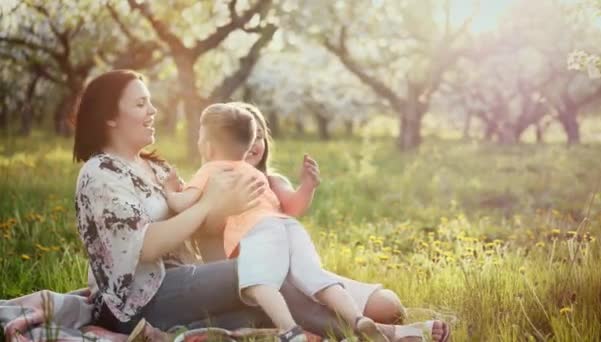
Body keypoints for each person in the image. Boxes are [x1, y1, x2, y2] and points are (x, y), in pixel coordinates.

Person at [73, 69, 449, 341]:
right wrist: (211, 205)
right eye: (141, 104)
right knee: (260, 272)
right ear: (110, 116)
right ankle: (382, 331)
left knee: (259, 303)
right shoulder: (101, 175)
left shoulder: (155, 167)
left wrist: (224, 208)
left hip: (182, 284)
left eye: (151, 102)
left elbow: (200, 230)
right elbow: (147, 246)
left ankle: (357, 326)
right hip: (140, 301)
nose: (153, 111)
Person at [163, 103, 388, 341]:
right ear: (247, 143)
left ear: (207, 146)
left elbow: (181, 204)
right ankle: (357, 319)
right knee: (313, 276)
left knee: (258, 283)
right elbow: (289, 211)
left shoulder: (212, 172)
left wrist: (169, 190)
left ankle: (290, 330)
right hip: (286, 228)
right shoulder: (256, 174)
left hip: (262, 232)